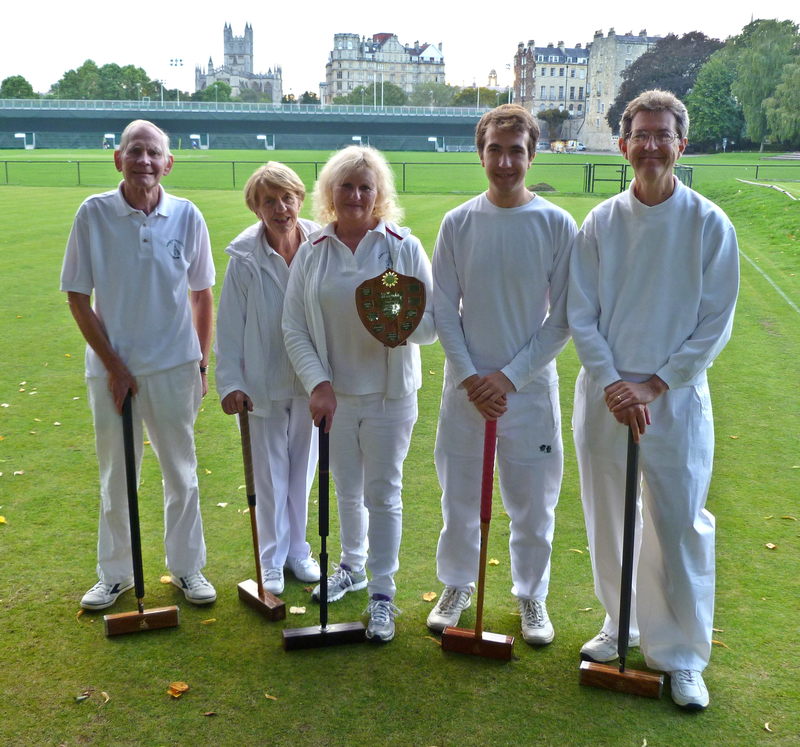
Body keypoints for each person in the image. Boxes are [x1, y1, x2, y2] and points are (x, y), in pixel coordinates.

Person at [568, 90, 739, 710]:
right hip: (606, 395)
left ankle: (682, 656)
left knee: (679, 524)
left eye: (661, 134)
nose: (650, 144)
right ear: (623, 145)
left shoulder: (707, 223)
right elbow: (580, 313)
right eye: (639, 133)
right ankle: (622, 624)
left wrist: (656, 383)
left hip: (674, 399)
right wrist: (615, 382)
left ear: (679, 144)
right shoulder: (601, 222)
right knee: (608, 518)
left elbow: (714, 321)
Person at [427, 104, 576, 645]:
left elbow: (562, 318)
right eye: (496, 150)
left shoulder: (557, 224)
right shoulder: (458, 223)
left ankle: (531, 594)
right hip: (466, 392)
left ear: (532, 155)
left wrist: (508, 378)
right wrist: (472, 378)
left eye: (517, 151)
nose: (506, 161)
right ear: (481, 153)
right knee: (460, 499)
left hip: (528, 393)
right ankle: (457, 585)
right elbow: (444, 308)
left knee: (534, 503)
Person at [61, 119, 217, 610]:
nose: (144, 161)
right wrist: (115, 366)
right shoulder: (93, 214)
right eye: (135, 152)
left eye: (153, 153)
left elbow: (202, 295)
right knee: (116, 475)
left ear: (168, 162)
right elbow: (77, 297)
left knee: (182, 473)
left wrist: (200, 365)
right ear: (118, 159)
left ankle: (188, 569)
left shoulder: (187, 215)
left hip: (174, 366)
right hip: (112, 372)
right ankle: (116, 574)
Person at [282, 145, 436, 642]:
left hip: (390, 396)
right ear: (330, 192)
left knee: (383, 493)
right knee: (346, 489)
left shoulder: (401, 246)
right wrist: (318, 384)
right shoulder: (313, 250)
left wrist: (402, 328)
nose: (355, 196)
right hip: (336, 397)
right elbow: (294, 327)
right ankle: (352, 566)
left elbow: (432, 324)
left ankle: (383, 595)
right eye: (345, 186)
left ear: (379, 194)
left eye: (365, 187)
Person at [215, 162, 321, 594]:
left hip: (313, 379)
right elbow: (229, 325)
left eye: (287, 198)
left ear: (299, 199)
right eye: (269, 201)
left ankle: (298, 549)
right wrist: (230, 383)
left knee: (303, 471)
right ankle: (272, 557)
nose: (280, 208)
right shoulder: (244, 257)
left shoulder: (322, 243)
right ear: (256, 209)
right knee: (271, 475)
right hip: (263, 381)